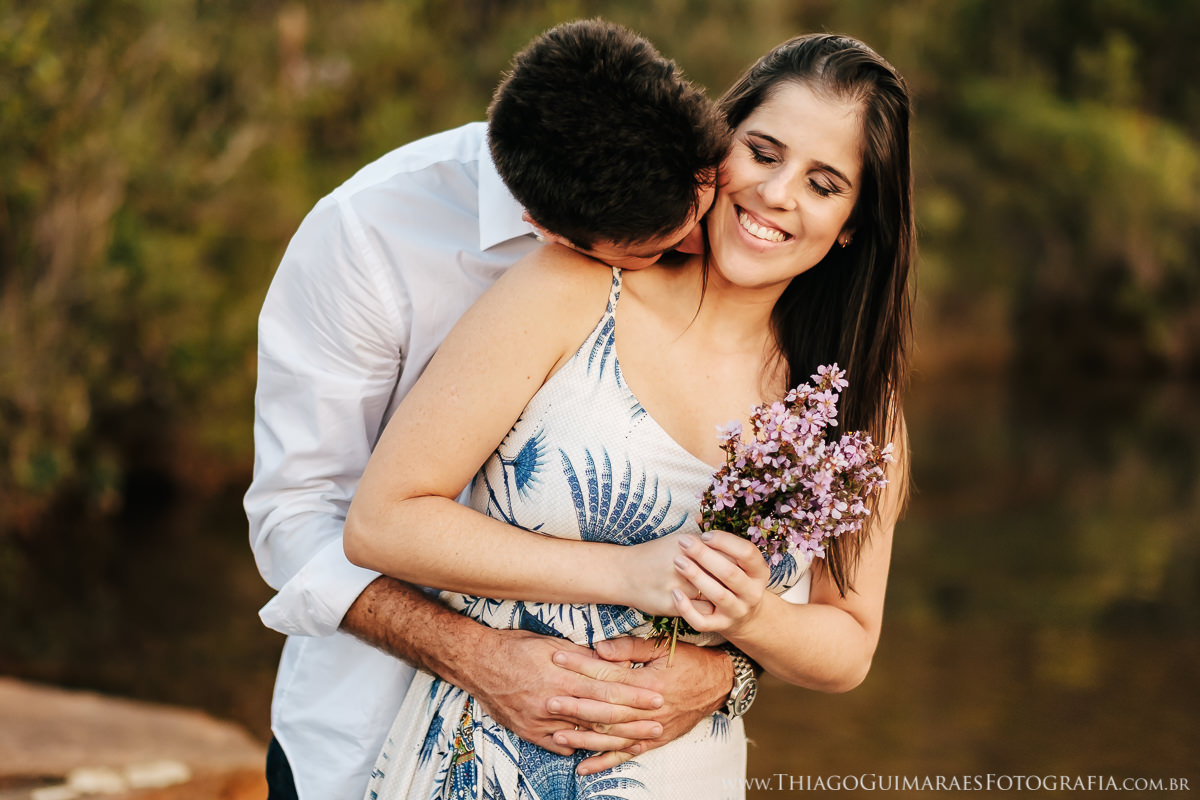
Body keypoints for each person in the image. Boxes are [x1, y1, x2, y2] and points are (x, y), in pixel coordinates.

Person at [344, 31, 915, 799]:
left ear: (851, 222)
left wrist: (748, 620)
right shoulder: (572, 288)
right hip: (477, 766)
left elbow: (848, 646)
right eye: (763, 152)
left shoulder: (852, 410)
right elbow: (383, 521)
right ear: (719, 143)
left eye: (823, 184)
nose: (778, 194)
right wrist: (629, 573)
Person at [245, 20, 736, 800]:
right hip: (366, 737)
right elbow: (294, 514)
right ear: (549, 235)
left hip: (615, 760)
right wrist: (474, 657)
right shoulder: (366, 238)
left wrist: (727, 671)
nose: (701, 253)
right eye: (658, 254)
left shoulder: (697, 193)